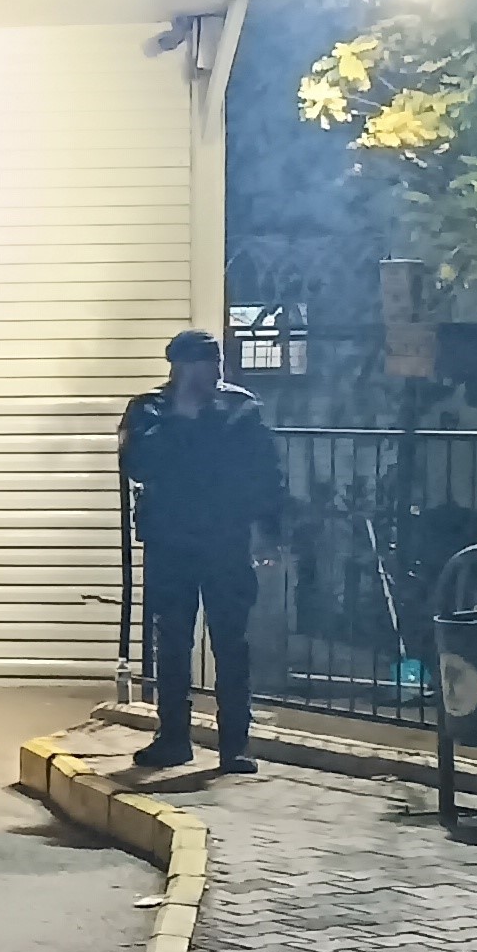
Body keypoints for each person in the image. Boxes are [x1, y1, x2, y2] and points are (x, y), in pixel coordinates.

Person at [122, 327, 286, 772]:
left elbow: (265, 473)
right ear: (177, 367)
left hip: (225, 540)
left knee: (232, 641)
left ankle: (235, 744)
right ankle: (174, 737)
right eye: (199, 363)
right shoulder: (149, 410)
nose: (209, 372)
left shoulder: (241, 409)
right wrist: (182, 417)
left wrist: (269, 531)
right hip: (170, 540)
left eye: (214, 362)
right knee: (173, 641)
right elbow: (138, 464)